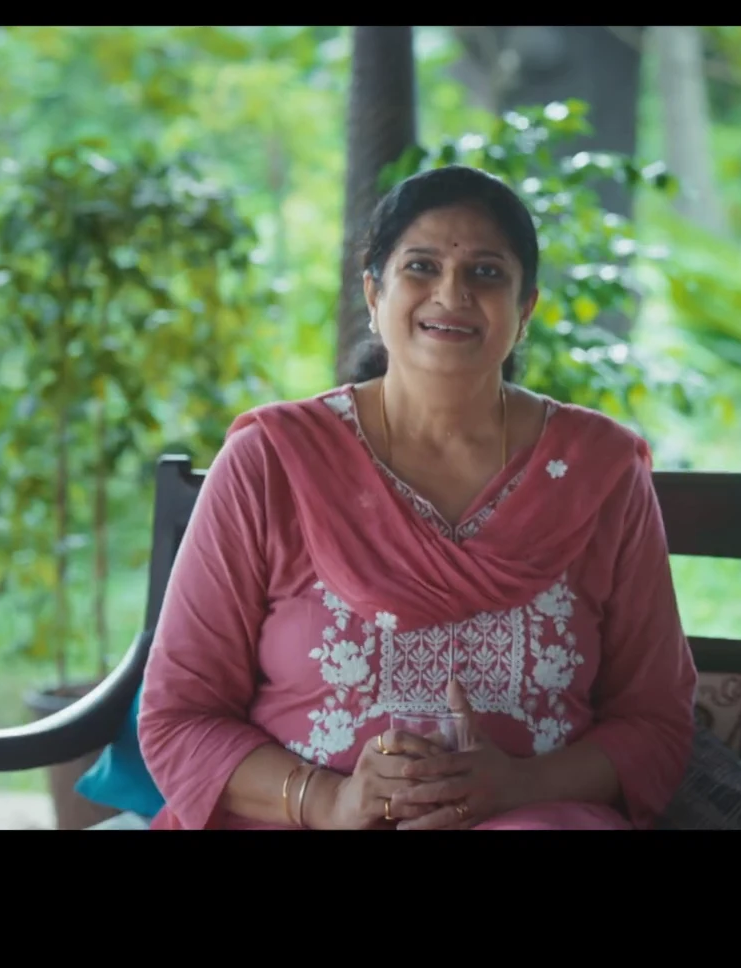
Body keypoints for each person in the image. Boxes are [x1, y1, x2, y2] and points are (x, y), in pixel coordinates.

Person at [137, 164, 698, 830]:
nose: (452, 293)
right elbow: (180, 716)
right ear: (373, 295)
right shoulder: (273, 463)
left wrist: (519, 786)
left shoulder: (595, 472)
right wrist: (330, 800)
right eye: (421, 267)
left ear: (525, 310)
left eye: (486, 272)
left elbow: (654, 721)